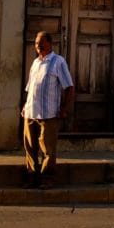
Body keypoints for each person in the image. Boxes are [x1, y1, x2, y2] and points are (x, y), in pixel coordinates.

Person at [21, 31, 74, 188]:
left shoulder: (58, 62)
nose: (38, 46)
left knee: (48, 149)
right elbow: (30, 88)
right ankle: (31, 177)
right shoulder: (35, 63)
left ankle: (47, 179)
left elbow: (69, 87)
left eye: (41, 43)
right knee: (30, 148)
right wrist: (25, 106)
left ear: (50, 44)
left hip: (48, 114)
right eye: (36, 43)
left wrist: (64, 108)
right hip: (31, 112)